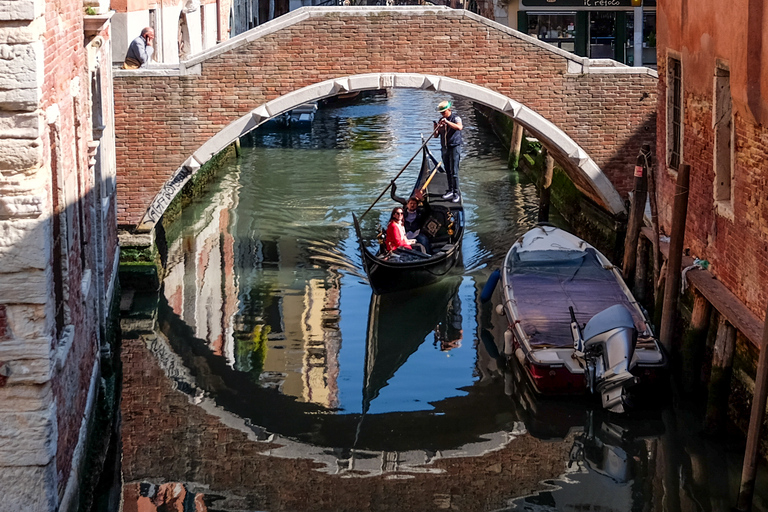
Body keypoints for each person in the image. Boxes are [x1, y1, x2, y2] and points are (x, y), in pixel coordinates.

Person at [433, 100, 463, 203]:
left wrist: (447, 122)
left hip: (454, 147)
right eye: (441, 113)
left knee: (454, 172)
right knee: (448, 170)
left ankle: (456, 193)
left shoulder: (456, 118)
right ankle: (450, 190)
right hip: (445, 148)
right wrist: (436, 129)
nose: (442, 114)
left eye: (443, 112)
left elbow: (459, 127)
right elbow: (436, 136)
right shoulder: (441, 119)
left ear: (449, 110)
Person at [390, 181, 431, 253]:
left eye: (414, 204)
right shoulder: (402, 213)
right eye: (411, 203)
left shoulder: (420, 213)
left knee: (424, 241)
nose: (412, 205)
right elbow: (394, 196)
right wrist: (393, 187)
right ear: (407, 205)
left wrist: (422, 199)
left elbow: (428, 210)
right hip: (404, 234)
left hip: (417, 234)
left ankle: (428, 255)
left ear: (417, 205)